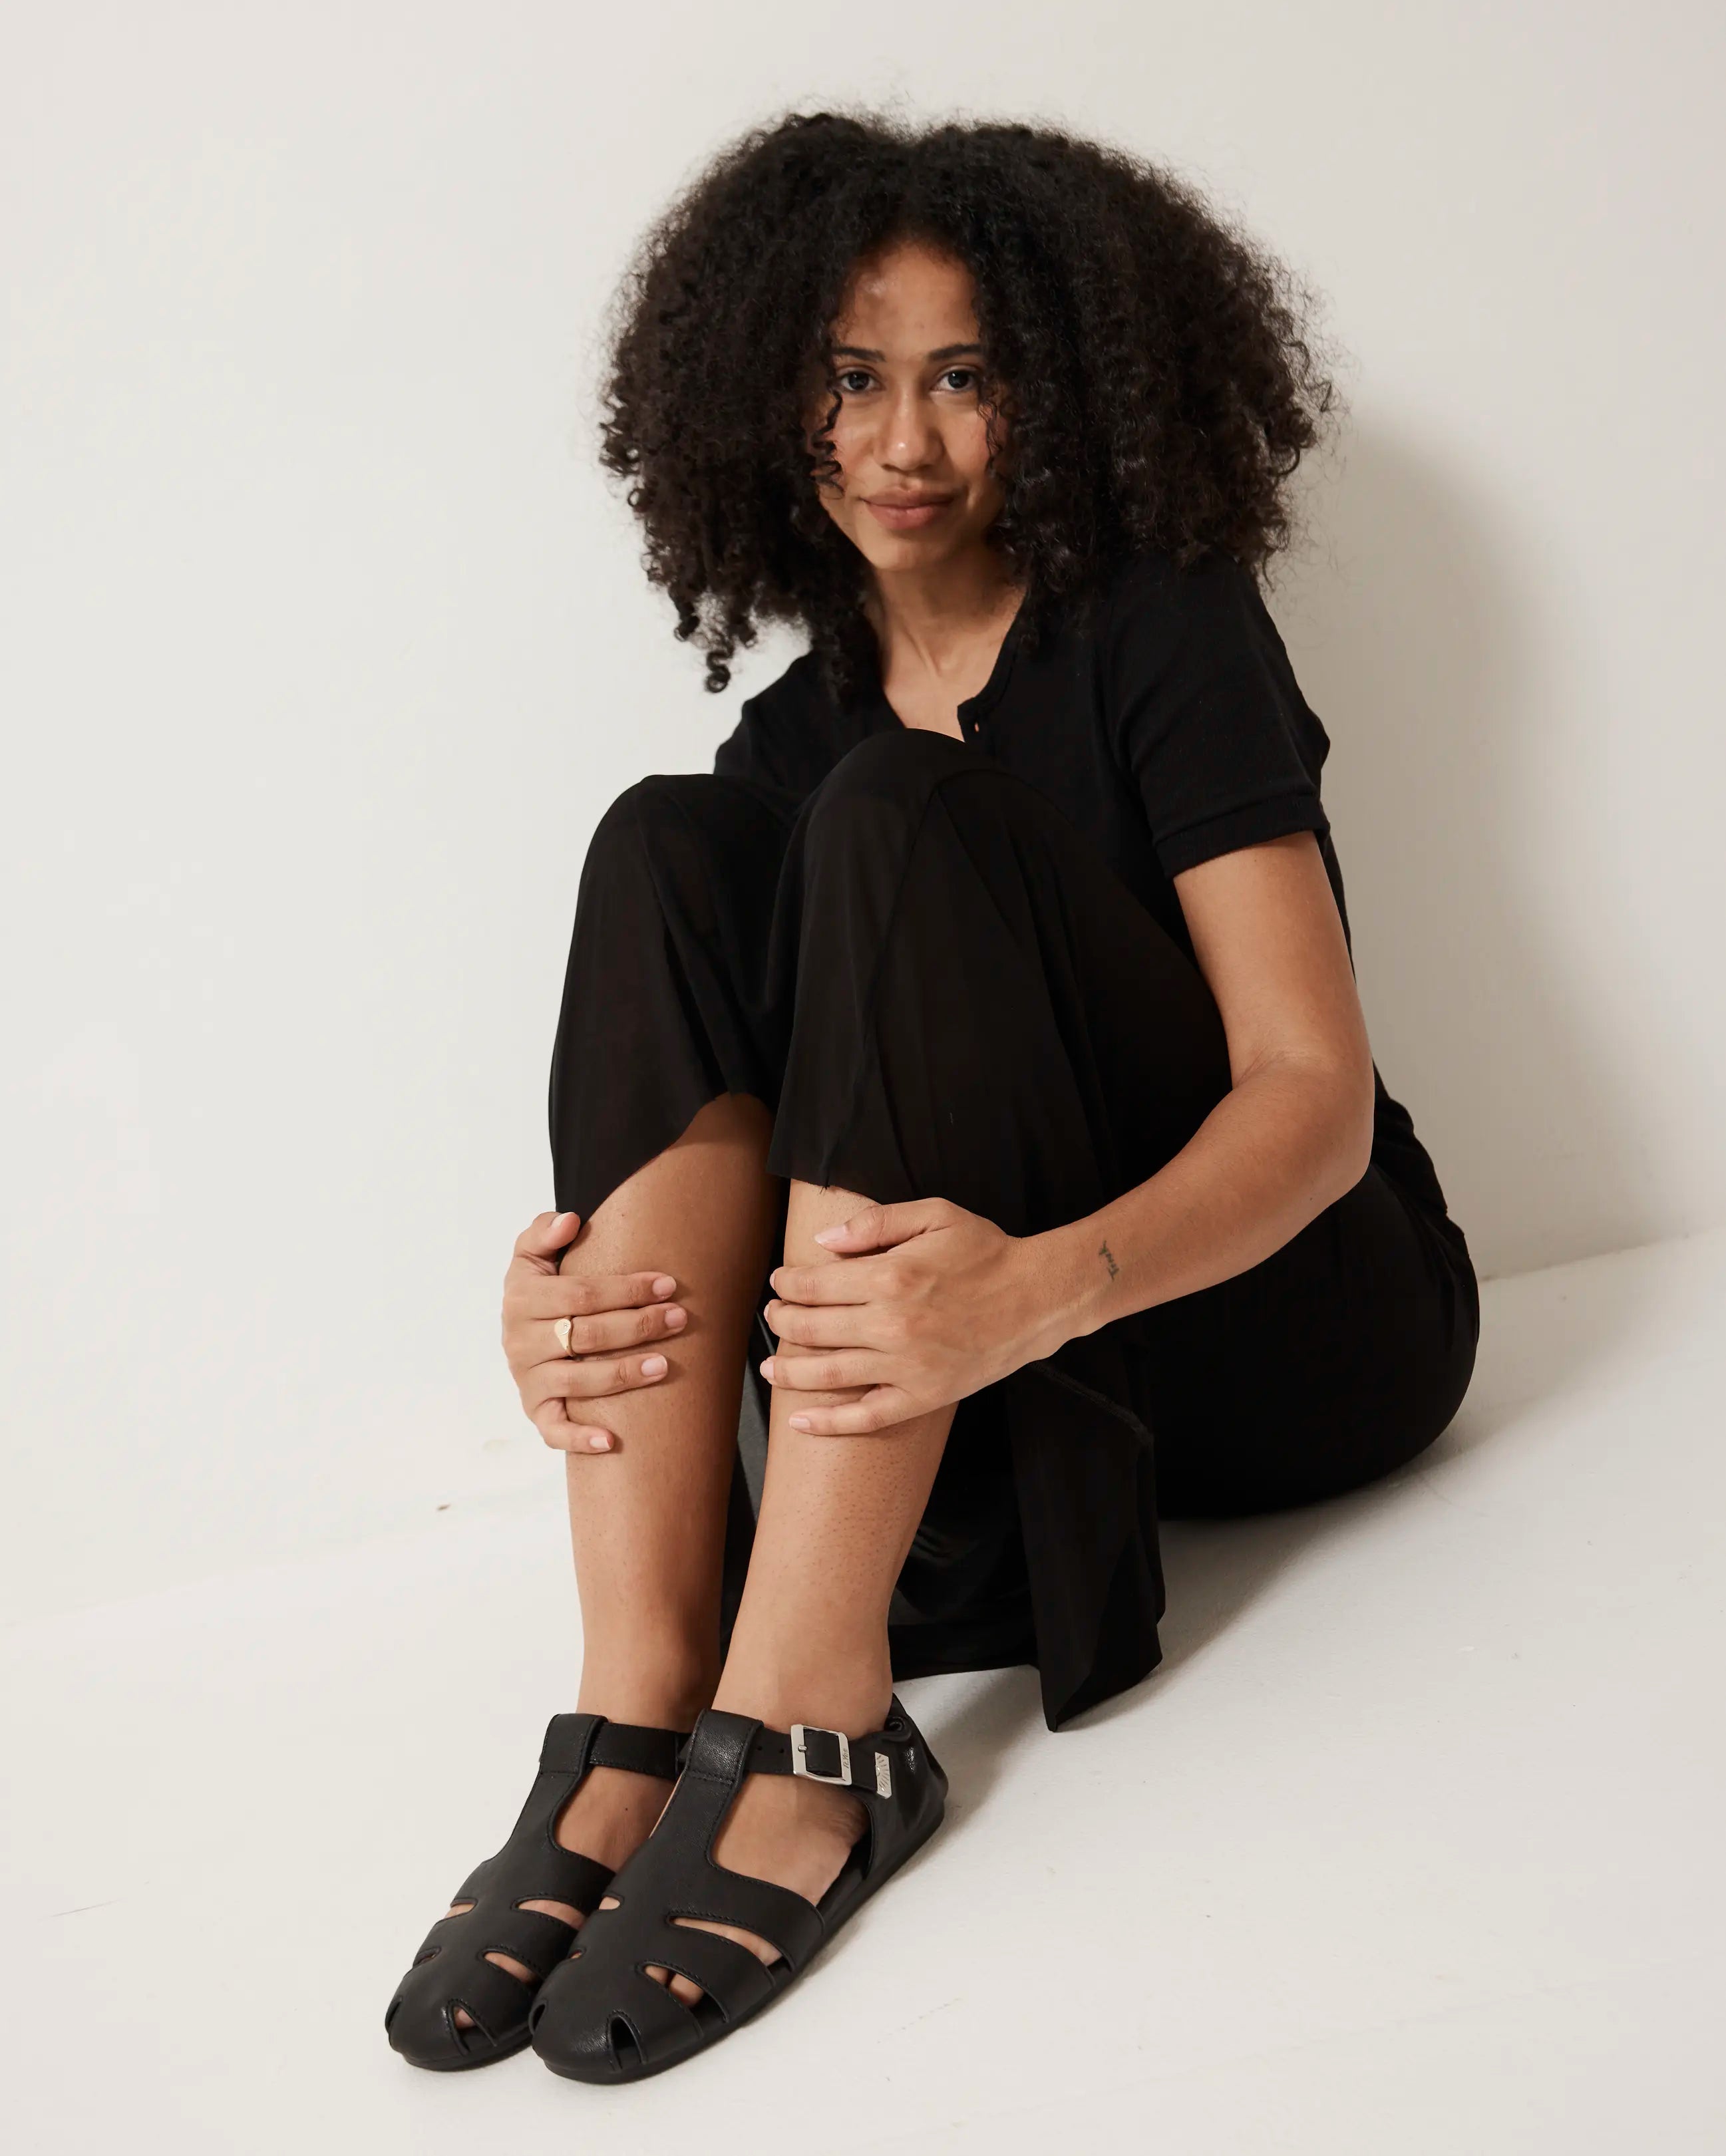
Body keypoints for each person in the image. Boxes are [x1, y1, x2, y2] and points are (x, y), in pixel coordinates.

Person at [385, 109, 1479, 2085]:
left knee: (894, 811)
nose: (904, 443)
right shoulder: (788, 739)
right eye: (848, 378)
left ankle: (814, 1720)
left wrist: (1040, 1290)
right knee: (663, 835)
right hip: (1002, 1398)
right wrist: (574, 1304)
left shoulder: (1157, 626)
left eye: (964, 379)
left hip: (1289, 1329)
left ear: (1054, 398)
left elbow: (1312, 1100)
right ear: (761, 406)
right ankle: (643, 1710)